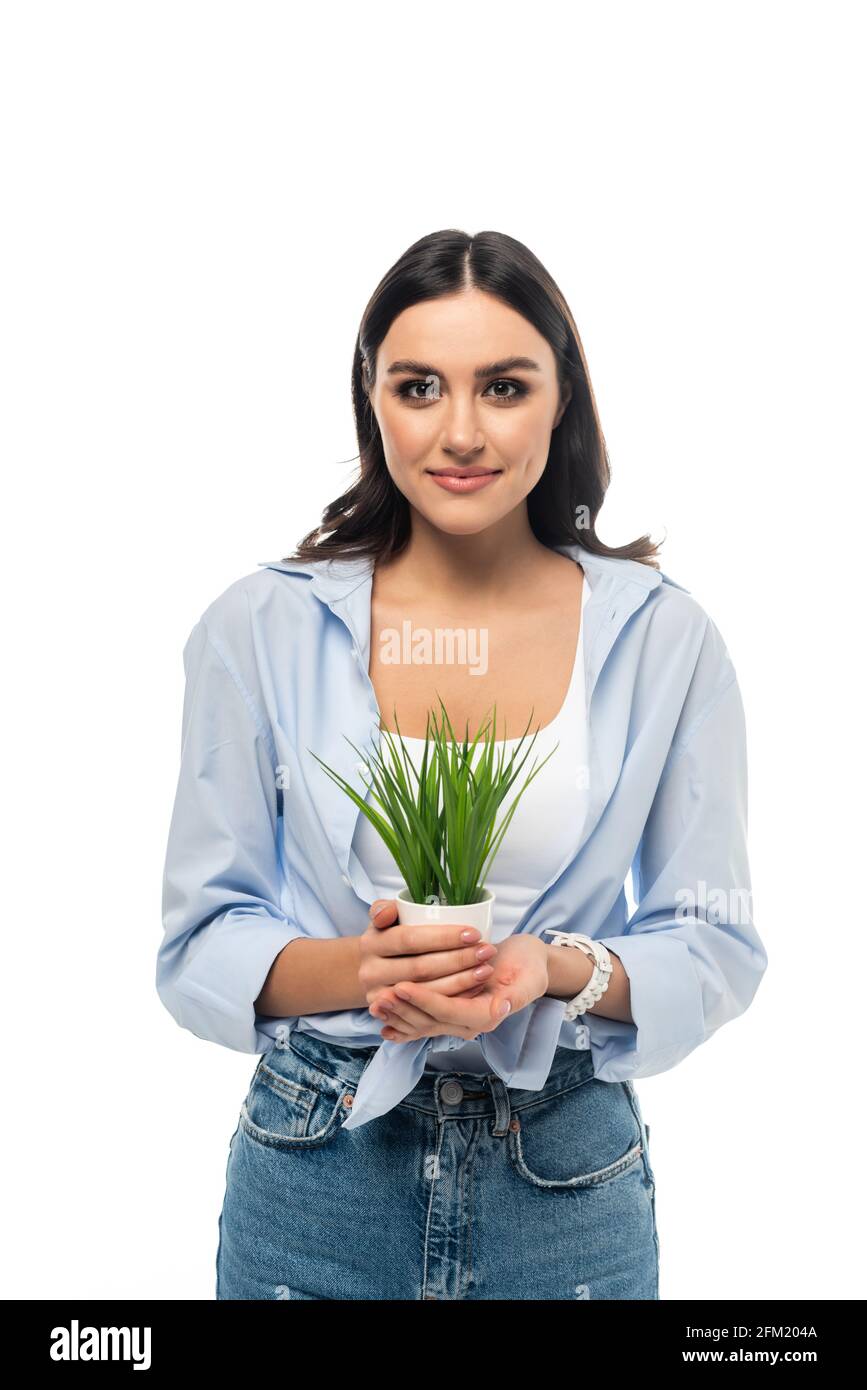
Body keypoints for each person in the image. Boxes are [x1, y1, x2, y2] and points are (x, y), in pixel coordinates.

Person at [157, 228, 768, 1301]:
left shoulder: (665, 642)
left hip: (566, 1177)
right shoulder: (260, 627)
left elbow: (712, 942)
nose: (462, 431)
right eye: (420, 385)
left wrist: (555, 968)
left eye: (505, 386)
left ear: (561, 399)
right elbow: (202, 936)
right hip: (319, 1165)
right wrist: (363, 970)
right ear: (371, 399)